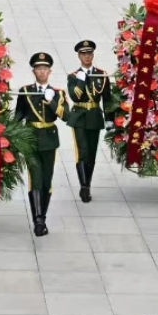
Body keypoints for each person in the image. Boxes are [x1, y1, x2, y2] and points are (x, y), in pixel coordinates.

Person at [17, 52, 65, 237]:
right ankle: (38, 221)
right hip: (31, 139)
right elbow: (18, 117)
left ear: (50, 71)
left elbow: (66, 116)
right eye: (39, 68)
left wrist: (51, 101)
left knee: (46, 181)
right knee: (36, 178)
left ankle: (42, 216)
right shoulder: (25, 91)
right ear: (34, 71)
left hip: (49, 140)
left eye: (45, 68)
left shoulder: (58, 93)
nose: (42, 71)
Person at [64, 40, 108, 203]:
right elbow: (75, 97)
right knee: (82, 151)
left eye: (89, 53)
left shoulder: (102, 75)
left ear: (93, 55)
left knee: (92, 153)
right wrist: (81, 80)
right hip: (79, 117)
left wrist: (110, 120)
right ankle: (84, 186)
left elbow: (107, 99)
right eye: (83, 54)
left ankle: (87, 183)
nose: (87, 56)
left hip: (95, 116)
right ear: (79, 56)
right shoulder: (73, 76)